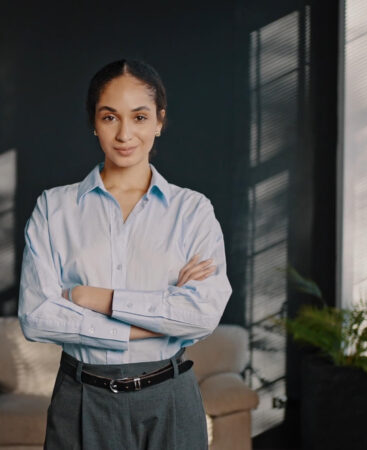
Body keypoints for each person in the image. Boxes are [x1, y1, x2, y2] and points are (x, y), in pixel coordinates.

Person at [18, 59, 233, 450]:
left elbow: (201, 314)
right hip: (82, 398)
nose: (124, 133)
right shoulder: (54, 208)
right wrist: (157, 322)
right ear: (93, 123)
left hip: (170, 398)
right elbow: (36, 317)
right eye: (109, 117)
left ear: (159, 122)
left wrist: (93, 298)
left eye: (139, 117)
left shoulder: (193, 210)